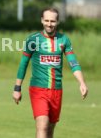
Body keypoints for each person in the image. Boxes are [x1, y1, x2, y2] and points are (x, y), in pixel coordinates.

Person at [12, 8, 88, 138]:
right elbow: (23, 64)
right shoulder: (33, 40)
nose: (49, 24)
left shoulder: (64, 40)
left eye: (52, 21)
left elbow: (73, 62)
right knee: (43, 125)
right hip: (38, 89)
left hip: (56, 91)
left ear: (57, 22)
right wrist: (17, 88)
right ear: (42, 20)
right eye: (46, 20)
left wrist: (82, 82)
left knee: (50, 130)